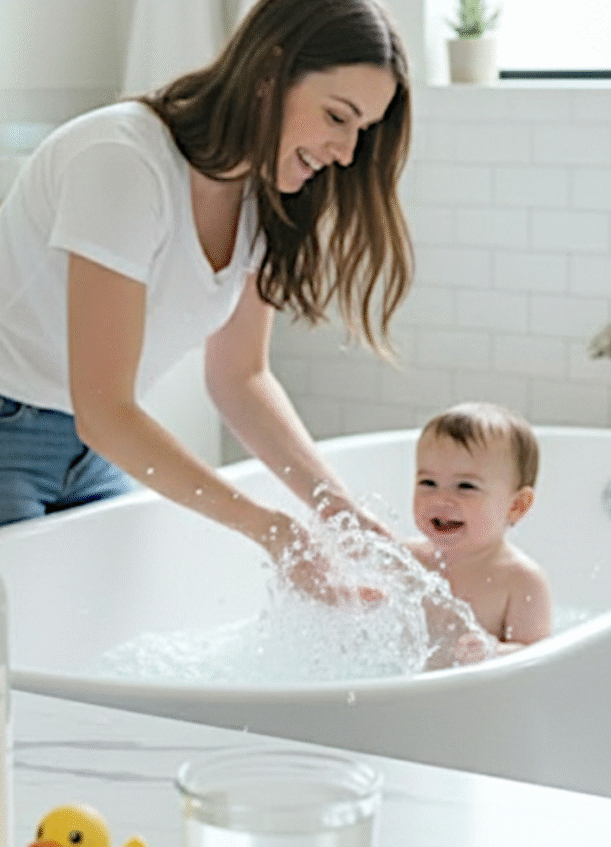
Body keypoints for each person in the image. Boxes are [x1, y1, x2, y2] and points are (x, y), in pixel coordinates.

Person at [0, 0, 412, 600]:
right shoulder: (122, 159)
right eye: (337, 117)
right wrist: (274, 532)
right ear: (270, 74)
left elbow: (241, 376)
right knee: (28, 654)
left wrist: (343, 518)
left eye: (361, 131)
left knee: (119, 636)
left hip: (89, 449)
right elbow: (106, 410)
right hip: (15, 426)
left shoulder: (261, 200)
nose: (346, 152)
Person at [406, 402, 552, 660]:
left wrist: (493, 651)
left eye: (465, 486)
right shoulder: (406, 559)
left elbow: (540, 658)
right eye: (428, 482)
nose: (441, 499)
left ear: (516, 505)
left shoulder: (521, 581)